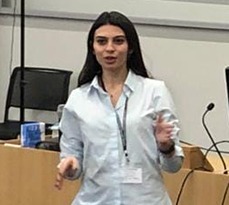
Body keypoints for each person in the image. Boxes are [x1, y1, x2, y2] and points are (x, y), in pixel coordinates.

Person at [55, 11, 184, 205]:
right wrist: (70, 164)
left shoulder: (154, 92)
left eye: (118, 41)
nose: (109, 49)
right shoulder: (79, 99)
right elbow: (73, 158)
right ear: (92, 48)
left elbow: (173, 166)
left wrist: (167, 148)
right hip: (95, 200)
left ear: (130, 47)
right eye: (101, 41)